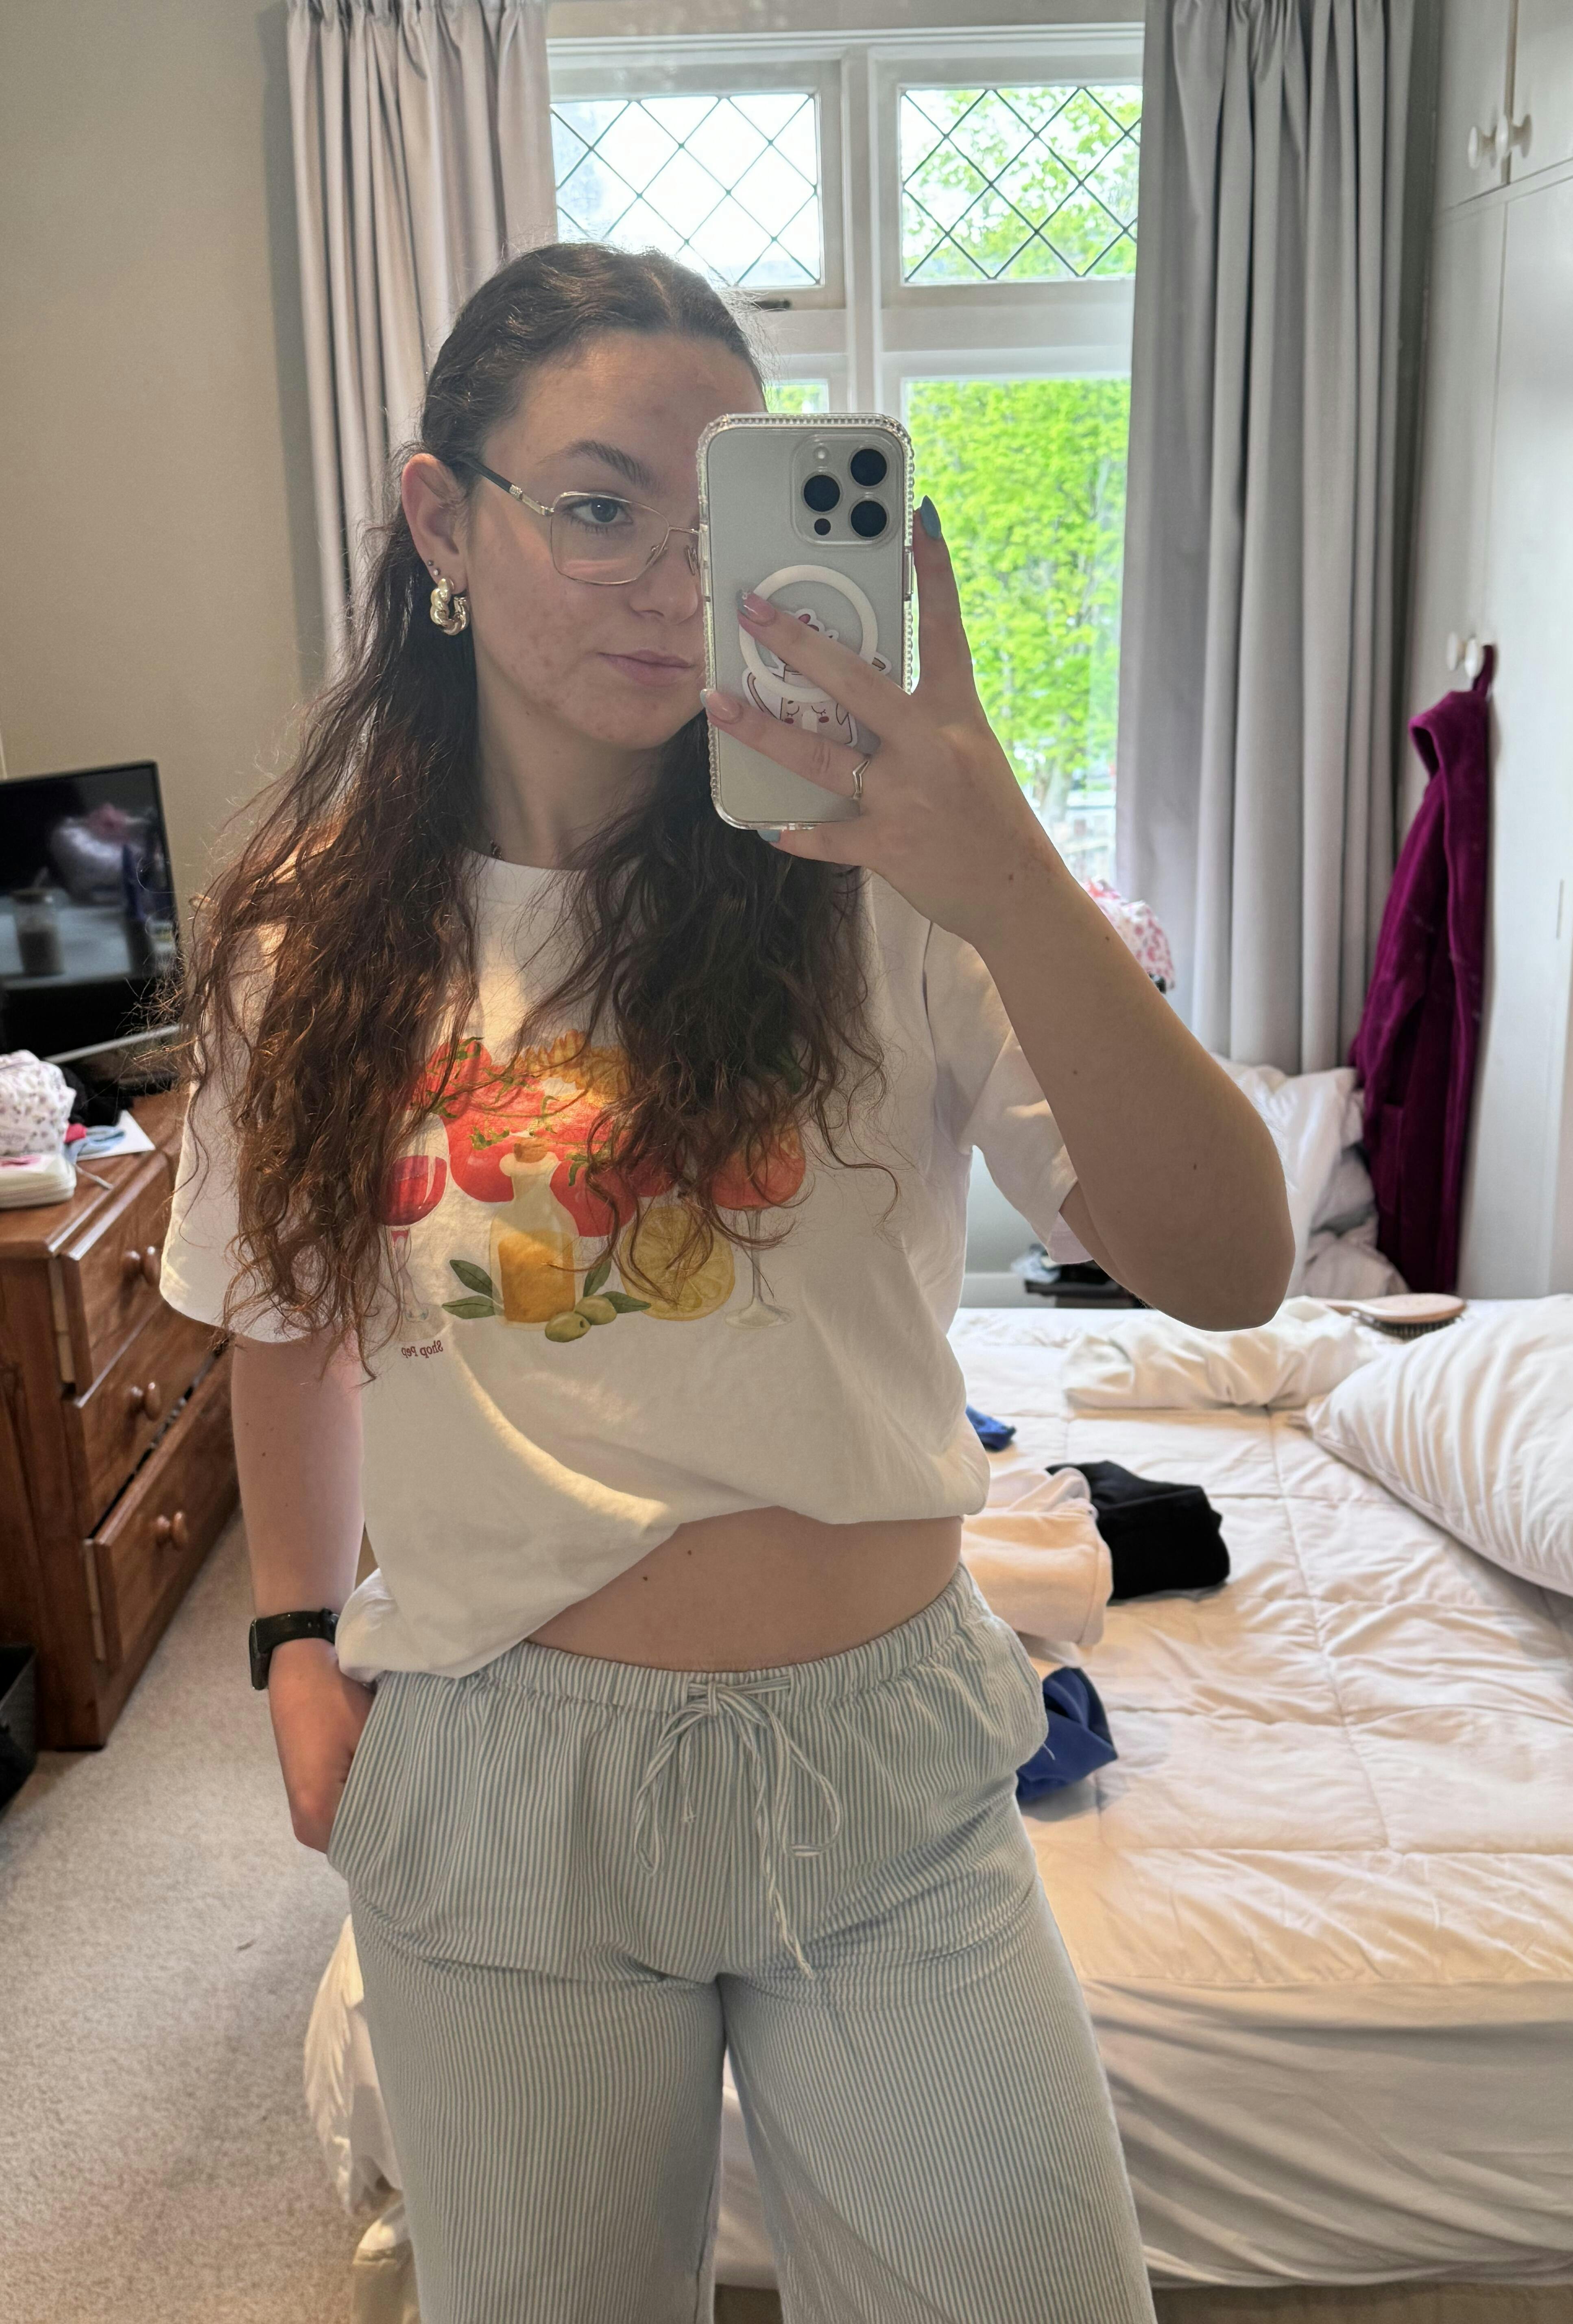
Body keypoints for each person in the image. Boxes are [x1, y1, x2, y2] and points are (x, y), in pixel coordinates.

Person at [159, 241, 1292, 2324]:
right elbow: (286, 1313)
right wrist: (297, 1644)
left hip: (886, 1765)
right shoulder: (308, 943)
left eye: (724, 523)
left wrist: (1011, 879)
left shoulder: (888, 889)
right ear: (443, 524)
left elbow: (1230, 1264)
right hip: (502, 1772)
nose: (677, 587)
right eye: (600, 510)